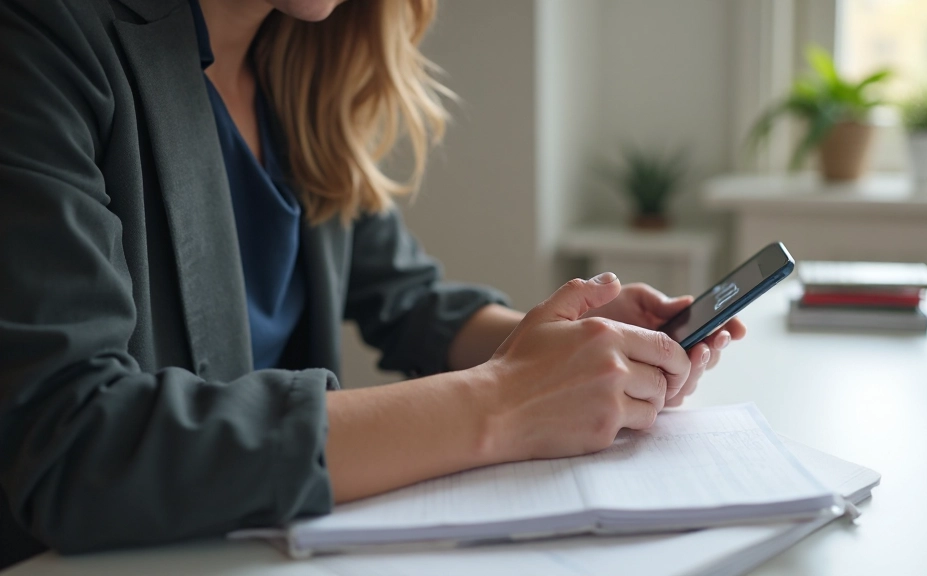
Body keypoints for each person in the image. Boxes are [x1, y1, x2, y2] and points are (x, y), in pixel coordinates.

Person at [0, 0, 744, 567]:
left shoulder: (299, 71)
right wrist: (501, 403)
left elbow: (408, 297)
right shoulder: (40, 39)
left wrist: (577, 341)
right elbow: (74, 438)